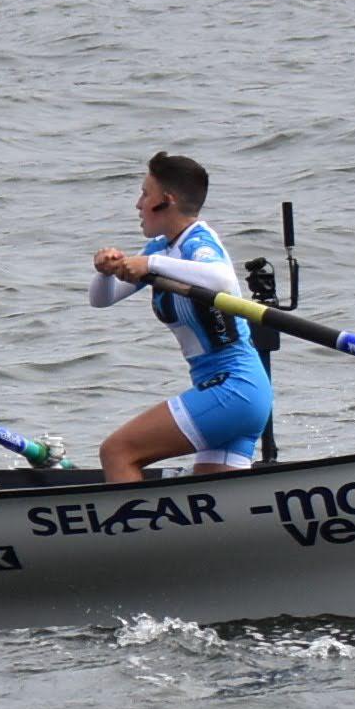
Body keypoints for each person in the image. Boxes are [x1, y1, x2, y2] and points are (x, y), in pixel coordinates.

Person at [87, 150, 276, 482]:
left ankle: (134, 534)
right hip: (229, 392)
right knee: (211, 504)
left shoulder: (199, 244)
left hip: (235, 389)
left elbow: (222, 280)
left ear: (166, 201)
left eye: (145, 194)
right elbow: (102, 301)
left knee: (117, 452)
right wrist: (104, 272)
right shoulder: (160, 248)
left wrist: (151, 266)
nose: (138, 204)